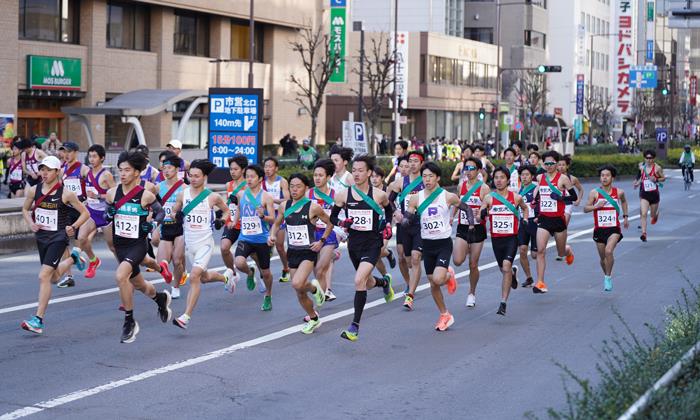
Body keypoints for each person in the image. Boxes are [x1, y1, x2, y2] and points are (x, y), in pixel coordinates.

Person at [103, 151, 172, 343]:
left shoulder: (146, 196)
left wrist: (151, 225)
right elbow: (104, 216)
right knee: (140, 285)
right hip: (120, 245)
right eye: (120, 170)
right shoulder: (111, 193)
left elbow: (161, 214)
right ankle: (160, 299)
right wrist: (108, 214)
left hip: (138, 243)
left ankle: (130, 321)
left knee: (120, 276)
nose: (122, 174)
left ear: (136, 173)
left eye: (127, 170)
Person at [20, 156, 90, 334]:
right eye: (42, 169)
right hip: (41, 238)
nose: (44, 173)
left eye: (48, 170)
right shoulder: (33, 190)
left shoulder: (66, 193)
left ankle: (38, 319)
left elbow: (85, 213)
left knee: (44, 276)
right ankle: (74, 258)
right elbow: (25, 209)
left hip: (58, 238)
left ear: (57, 172)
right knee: (54, 278)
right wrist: (31, 223)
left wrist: (73, 227)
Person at [331, 155, 395, 342]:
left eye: (361, 171)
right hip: (354, 244)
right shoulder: (343, 194)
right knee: (365, 283)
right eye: (355, 170)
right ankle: (384, 283)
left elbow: (388, 210)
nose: (357, 174)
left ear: (368, 173)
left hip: (372, 243)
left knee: (358, 280)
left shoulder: (378, 195)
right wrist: (343, 222)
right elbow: (333, 218)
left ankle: (354, 327)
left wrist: (388, 225)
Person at [405, 161, 473, 330]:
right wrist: (405, 220)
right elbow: (408, 218)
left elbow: (467, 209)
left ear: (437, 178)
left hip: (443, 243)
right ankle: (445, 314)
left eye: (430, 176)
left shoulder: (447, 196)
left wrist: (471, 225)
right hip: (427, 244)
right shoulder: (416, 198)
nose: (427, 180)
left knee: (438, 278)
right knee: (433, 283)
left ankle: (448, 275)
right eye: (424, 176)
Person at [170, 159, 235, 329]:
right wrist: (175, 216)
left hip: (205, 243)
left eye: (196, 176)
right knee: (203, 277)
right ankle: (225, 277)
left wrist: (221, 220)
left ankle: (186, 316)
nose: (193, 179)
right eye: (190, 175)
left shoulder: (212, 196)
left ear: (204, 177)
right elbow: (174, 211)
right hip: (190, 244)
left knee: (194, 276)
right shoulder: (182, 194)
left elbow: (227, 210)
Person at [269, 173, 333, 334]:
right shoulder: (285, 206)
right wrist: (272, 235)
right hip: (293, 252)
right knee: (299, 291)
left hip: (308, 251)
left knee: (297, 283)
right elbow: (276, 224)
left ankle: (314, 288)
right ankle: (313, 318)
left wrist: (321, 241)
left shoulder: (312, 207)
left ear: (306, 188)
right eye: (292, 186)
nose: (294, 189)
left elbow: (329, 223)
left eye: (298, 186)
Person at [478, 166, 529, 315]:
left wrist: (525, 219)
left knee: (505, 266)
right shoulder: (489, 198)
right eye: (496, 178)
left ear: (507, 180)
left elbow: (525, 209)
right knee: (504, 269)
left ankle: (503, 302)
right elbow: (479, 216)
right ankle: (513, 273)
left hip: (512, 238)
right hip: (496, 239)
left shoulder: (516, 197)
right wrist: (481, 213)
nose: (499, 180)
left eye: (502, 178)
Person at [232, 164, 277, 311]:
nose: (249, 179)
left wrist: (263, 215)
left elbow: (272, 219)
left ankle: (268, 295)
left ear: (260, 179)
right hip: (245, 237)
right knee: (239, 262)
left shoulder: (266, 197)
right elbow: (239, 208)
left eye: (252, 177)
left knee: (266, 272)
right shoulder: (241, 194)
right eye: (247, 177)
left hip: (261, 239)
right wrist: (234, 221)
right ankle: (250, 272)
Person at [533, 151, 577, 294]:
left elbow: (573, 197)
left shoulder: (563, 179)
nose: (549, 166)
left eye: (552, 163)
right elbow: (538, 193)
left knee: (561, 252)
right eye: (546, 163)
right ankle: (540, 282)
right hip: (544, 219)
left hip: (558, 220)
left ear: (557, 164)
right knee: (540, 251)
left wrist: (560, 198)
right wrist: (535, 201)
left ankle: (568, 250)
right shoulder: (540, 177)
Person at [583, 165, 629, 292]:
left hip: (614, 229)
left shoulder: (619, 192)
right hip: (599, 229)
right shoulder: (594, 193)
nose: (604, 178)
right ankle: (606, 274)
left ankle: (608, 277)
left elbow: (624, 202)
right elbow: (585, 209)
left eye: (607, 175)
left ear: (612, 178)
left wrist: (625, 216)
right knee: (603, 259)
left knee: (609, 251)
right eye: (602, 175)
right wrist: (596, 206)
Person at [389, 150, 425, 311]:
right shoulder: (400, 182)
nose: (412, 164)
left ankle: (410, 294)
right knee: (404, 257)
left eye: (416, 161)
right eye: (410, 160)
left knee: (416, 258)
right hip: (404, 224)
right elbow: (388, 201)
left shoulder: (426, 181)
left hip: (420, 224)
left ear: (421, 164)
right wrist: (395, 212)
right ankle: (409, 282)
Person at [453, 156, 490, 308]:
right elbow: (457, 203)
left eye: (471, 168)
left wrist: (481, 214)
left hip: (477, 228)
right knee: (457, 261)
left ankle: (471, 293)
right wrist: (451, 216)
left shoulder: (484, 188)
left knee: (473, 264)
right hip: (462, 226)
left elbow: (487, 208)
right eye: (465, 168)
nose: (468, 172)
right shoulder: (461, 186)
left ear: (479, 170)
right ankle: (449, 273)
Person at [309, 159, 344, 302]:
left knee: (320, 269)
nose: (317, 178)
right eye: (315, 175)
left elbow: (342, 217)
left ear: (328, 177)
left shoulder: (336, 195)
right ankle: (322, 295)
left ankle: (319, 302)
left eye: (320, 175)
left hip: (331, 233)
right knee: (316, 269)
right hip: (312, 234)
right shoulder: (308, 194)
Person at [81, 144, 116, 279]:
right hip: (92, 212)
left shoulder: (106, 175)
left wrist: (98, 196)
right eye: (90, 156)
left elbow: (114, 194)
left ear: (102, 158)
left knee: (112, 247)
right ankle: (93, 260)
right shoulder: (88, 173)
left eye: (94, 156)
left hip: (104, 214)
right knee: (81, 238)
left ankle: (126, 270)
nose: (91, 159)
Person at [156, 152, 187, 298]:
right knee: (161, 263)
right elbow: (153, 206)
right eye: (164, 168)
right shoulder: (158, 187)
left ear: (176, 169)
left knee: (177, 260)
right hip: (165, 227)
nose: (166, 171)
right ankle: (170, 276)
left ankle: (176, 287)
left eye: (169, 168)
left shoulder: (185, 187)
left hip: (181, 227)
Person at [263, 157, 291, 283]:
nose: (267, 169)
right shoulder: (261, 182)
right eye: (266, 166)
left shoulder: (282, 181)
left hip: (279, 215)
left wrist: (271, 200)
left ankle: (286, 268)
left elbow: (287, 199)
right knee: (264, 247)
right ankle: (264, 271)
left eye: (270, 166)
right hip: (266, 216)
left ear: (276, 168)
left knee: (280, 246)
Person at [221, 155, 248, 278]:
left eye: (236, 169)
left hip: (246, 224)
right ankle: (233, 272)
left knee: (254, 255)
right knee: (224, 248)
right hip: (231, 222)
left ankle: (255, 274)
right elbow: (227, 205)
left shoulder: (248, 185)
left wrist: (239, 201)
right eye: (231, 169)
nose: (232, 171)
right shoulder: (228, 185)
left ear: (243, 170)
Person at [633, 150, 665, 242]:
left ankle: (656, 215)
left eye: (650, 158)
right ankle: (644, 233)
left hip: (654, 195)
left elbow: (663, 178)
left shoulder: (657, 168)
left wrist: (656, 179)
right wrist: (637, 184)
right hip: (645, 194)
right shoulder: (642, 167)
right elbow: (642, 179)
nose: (649, 160)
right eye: (647, 158)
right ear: (644, 158)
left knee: (652, 215)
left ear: (653, 158)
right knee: (643, 213)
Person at [517, 165, 539, 288]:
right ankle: (529, 277)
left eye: (527, 175)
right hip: (523, 224)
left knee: (535, 255)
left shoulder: (537, 188)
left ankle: (540, 277)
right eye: (522, 175)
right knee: (522, 251)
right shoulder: (519, 191)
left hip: (535, 224)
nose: (524, 177)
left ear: (532, 176)